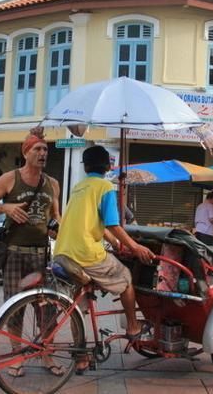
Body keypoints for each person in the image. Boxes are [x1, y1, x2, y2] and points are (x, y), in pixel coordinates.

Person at [54, 145, 155, 374]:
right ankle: (132, 326)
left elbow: (99, 225)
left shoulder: (80, 188)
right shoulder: (105, 187)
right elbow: (112, 224)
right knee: (127, 279)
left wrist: (119, 244)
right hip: (85, 253)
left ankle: (80, 358)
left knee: (78, 307)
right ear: (109, 166)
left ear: (86, 166)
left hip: (64, 251)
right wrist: (135, 246)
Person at [0, 127, 61, 377]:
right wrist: (7, 208)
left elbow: (56, 217)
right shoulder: (9, 179)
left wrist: (57, 230)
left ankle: (46, 355)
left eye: (45, 149)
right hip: (15, 253)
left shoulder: (53, 184)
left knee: (47, 309)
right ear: (26, 152)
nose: (42, 153)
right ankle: (16, 357)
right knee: (15, 307)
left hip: (41, 255)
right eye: (37, 149)